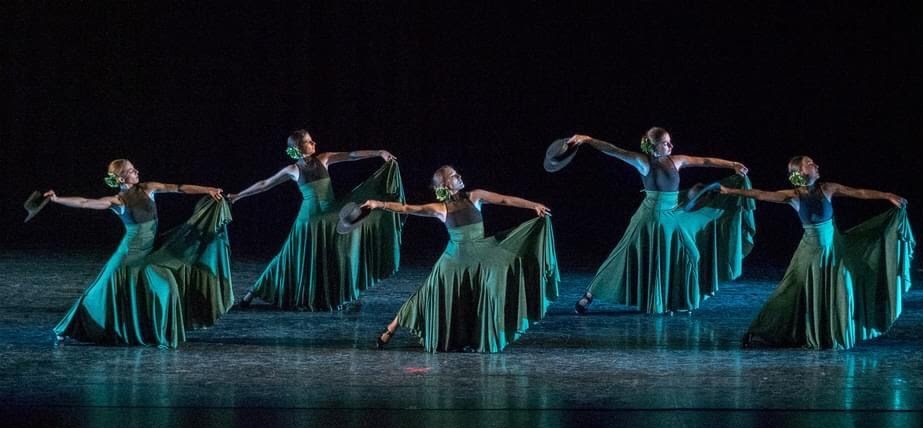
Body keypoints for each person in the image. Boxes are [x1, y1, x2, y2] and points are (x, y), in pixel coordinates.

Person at [721, 155, 914, 350]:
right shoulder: (794, 196)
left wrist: (887, 195)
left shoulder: (827, 188)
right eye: (810, 163)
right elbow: (760, 194)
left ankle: (830, 334)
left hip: (833, 251)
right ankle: (763, 332)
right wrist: (729, 190)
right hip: (809, 253)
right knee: (790, 291)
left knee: (840, 292)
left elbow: (859, 192)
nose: (816, 165)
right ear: (800, 171)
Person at [365, 165, 559, 352]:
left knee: (487, 292)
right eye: (454, 176)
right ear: (445, 185)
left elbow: (505, 200)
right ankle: (391, 328)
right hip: (454, 261)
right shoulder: (441, 208)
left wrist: (533, 205)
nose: (459, 177)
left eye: (457, 174)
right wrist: (378, 204)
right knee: (426, 293)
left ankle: (480, 335)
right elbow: (407, 208)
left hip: (481, 256)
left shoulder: (475, 196)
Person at [567, 127, 756, 315]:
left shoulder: (676, 160)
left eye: (670, 142)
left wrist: (733, 164)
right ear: (653, 146)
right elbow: (614, 150)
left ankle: (679, 300)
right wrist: (588, 139)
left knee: (691, 254)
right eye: (665, 143)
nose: (670, 146)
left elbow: (705, 161)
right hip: (648, 218)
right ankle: (589, 295)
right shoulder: (643, 162)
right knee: (622, 256)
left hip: (672, 216)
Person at [50, 159, 230, 349]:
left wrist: (208, 189)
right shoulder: (118, 201)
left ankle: (155, 332)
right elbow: (85, 202)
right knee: (98, 293)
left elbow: (179, 188)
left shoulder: (148, 188)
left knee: (165, 288)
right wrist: (57, 199)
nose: (136, 171)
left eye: (134, 168)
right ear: (121, 178)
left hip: (150, 251)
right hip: (128, 256)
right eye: (131, 170)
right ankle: (65, 329)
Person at [229, 129, 404, 311]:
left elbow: (351, 155)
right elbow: (265, 184)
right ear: (299, 147)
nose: (314, 143)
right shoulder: (293, 169)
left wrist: (379, 152)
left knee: (332, 255)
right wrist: (237, 196)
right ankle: (252, 292)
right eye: (309, 141)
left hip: (327, 218)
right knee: (288, 257)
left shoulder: (324, 159)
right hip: (309, 221)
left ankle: (332, 294)